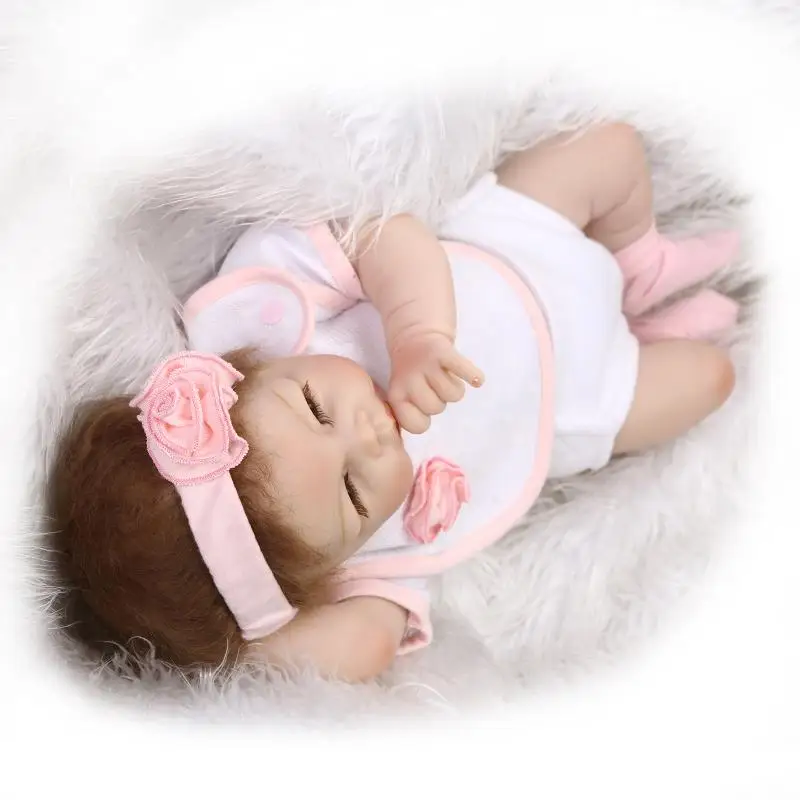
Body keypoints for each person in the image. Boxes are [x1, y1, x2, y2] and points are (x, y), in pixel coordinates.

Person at [51, 123, 739, 682]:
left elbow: (382, 233)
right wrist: (246, 647)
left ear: (237, 376)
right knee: (711, 380)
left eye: (317, 408)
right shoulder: (370, 561)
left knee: (606, 147)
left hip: (512, 245)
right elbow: (366, 648)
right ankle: (644, 330)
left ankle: (639, 262)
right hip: (573, 402)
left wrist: (418, 335)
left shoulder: (261, 321)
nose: (368, 434)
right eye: (354, 491)